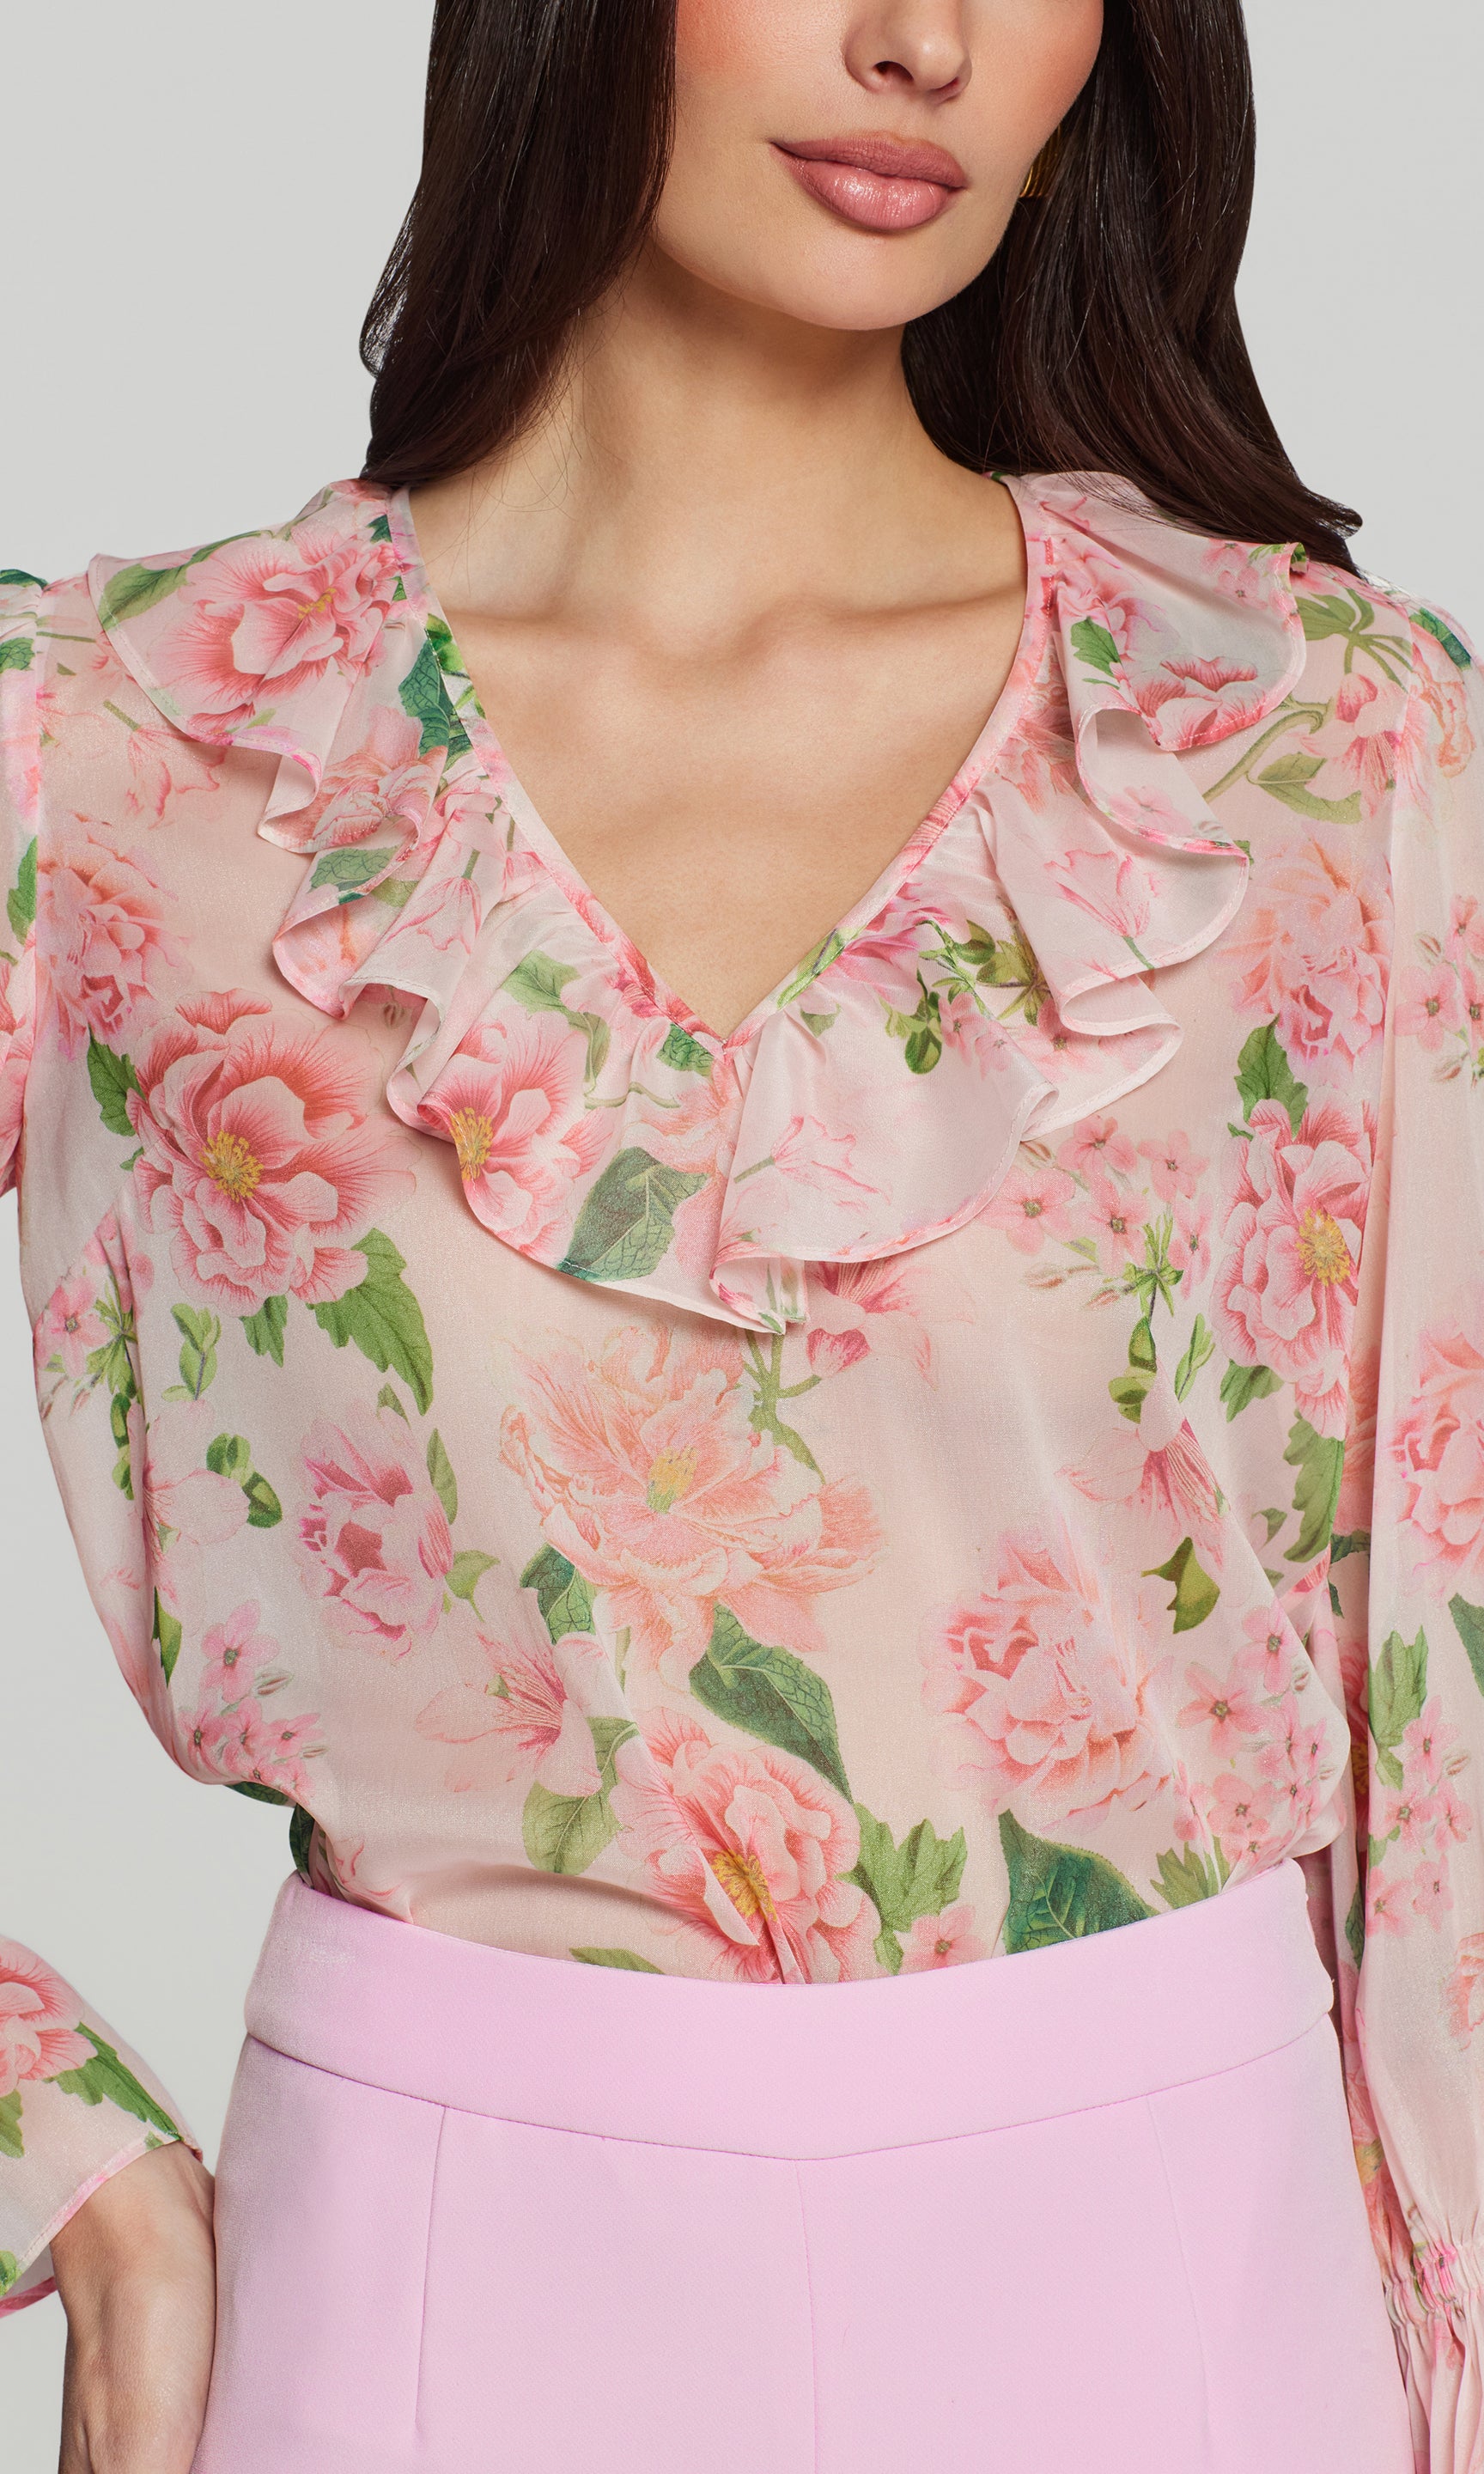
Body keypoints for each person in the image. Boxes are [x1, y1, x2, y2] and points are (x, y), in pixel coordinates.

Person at [2, 1, 1479, 2466]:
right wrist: (72, 2170)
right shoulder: (118, 754)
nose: (923, 44)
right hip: (423, 2315)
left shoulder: (1321, 750)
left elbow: (1455, 1724)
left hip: (1191, 2318)